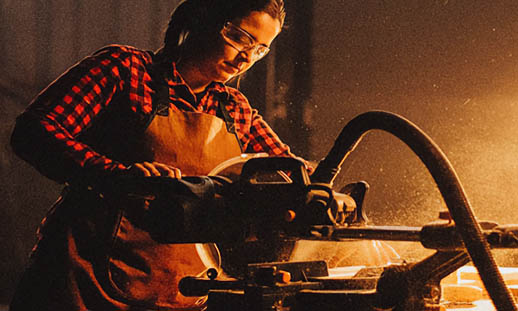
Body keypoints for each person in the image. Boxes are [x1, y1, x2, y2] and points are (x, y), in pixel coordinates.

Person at [9, 0, 307, 310]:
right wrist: (114, 174)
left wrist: (325, 195)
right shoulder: (125, 70)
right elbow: (35, 130)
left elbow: (291, 171)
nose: (247, 57)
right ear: (202, 19)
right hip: (80, 286)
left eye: (260, 49)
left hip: (178, 293)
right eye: (241, 38)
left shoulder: (234, 108)